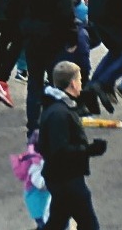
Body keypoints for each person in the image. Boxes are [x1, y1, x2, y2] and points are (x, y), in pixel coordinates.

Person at [6, 0, 75, 135]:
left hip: (30, 37)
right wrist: (71, 38)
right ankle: (56, 121)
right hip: (54, 38)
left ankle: (33, 125)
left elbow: (10, 9)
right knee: (56, 81)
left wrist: (17, 32)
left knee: (34, 82)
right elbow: (66, 13)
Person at [37, 61, 107, 230]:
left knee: (57, 222)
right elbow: (60, 151)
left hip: (61, 178)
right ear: (73, 83)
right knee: (89, 224)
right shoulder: (59, 114)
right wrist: (90, 150)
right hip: (67, 180)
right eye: (80, 80)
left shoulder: (56, 108)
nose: (81, 84)